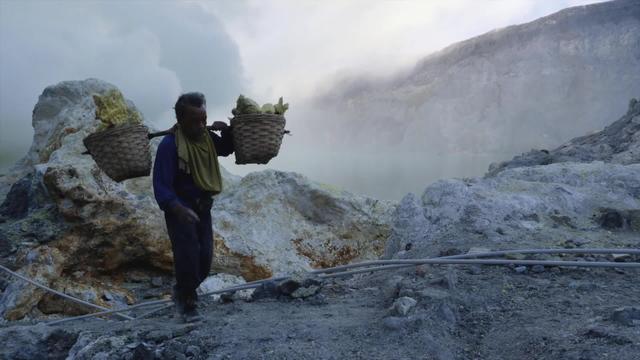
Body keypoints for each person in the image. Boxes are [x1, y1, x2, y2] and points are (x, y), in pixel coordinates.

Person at [152, 92, 234, 322]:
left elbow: (226, 148)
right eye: (195, 121)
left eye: (204, 119)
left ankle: (184, 291)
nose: (201, 125)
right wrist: (177, 208)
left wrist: (225, 130)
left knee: (205, 257)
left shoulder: (207, 138)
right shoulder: (170, 145)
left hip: (202, 208)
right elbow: (161, 184)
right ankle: (187, 302)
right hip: (180, 210)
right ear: (180, 120)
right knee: (187, 255)